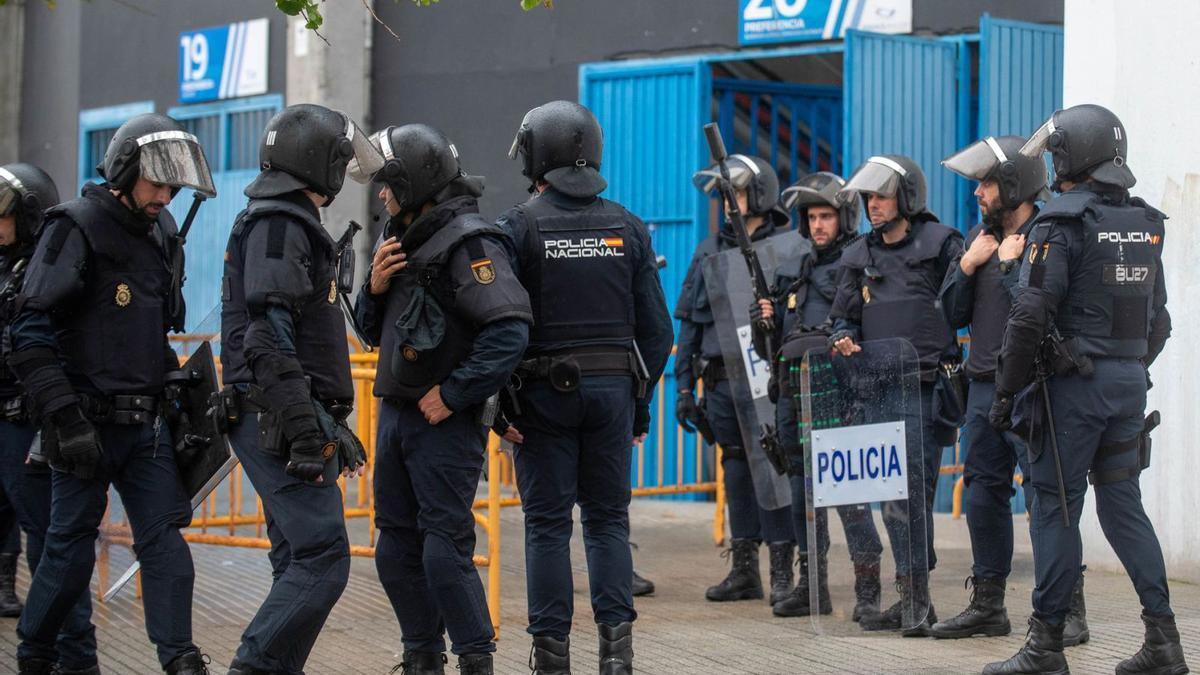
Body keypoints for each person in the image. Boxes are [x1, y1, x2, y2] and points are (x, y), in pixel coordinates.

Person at [984, 104, 1187, 675]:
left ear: (1077, 154)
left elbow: (1027, 319)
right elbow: (1160, 323)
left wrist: (1004, 393)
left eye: (1056, 152)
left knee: (1054, 509)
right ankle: (1164, 644)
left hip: (1072, 394)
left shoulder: (1059, 223)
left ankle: (1045, 647)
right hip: (1126, 387)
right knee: (1124, 507)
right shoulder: (1147, 223)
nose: (1051, 161)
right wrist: (1125, 366)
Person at [9, 114, 214, 674]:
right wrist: (64, 419)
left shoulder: (162, 232)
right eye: (157, 183)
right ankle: (34, 653)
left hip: (144, 427)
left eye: (173, 186)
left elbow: (155, 332)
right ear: (125, 171)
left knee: (166, 542)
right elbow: (28, 332)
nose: (166, 195)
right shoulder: (74, 226)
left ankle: (181, 660)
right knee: (69, 553)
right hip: (83, 426)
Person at [497, 100, 673, 675]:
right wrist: (637, 404)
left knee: (547, 525)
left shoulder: (518, 228)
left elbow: (498, 326)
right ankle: (617, 658)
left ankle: (551, 659)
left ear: (536, 157)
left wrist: (501, 407)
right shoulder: (628, 227)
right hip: (611, 395)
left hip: (541, 399)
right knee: (607, 522)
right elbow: (659, 332)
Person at [354, 123, 532, 675]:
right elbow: (368, 333)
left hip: (442, 423)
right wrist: (373, 289)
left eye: (388, 183)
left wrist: (453, 395)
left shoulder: (470, 240)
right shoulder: (401, 238)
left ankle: (476, 659)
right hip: (396, 414)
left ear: (417, 182)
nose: (381, 194)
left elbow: (509, 328)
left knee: (443, 551)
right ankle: (422, 656)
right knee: (393, 549)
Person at [220, 104, 379, 675]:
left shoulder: (286, 222)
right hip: (276, 419)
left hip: (283, 415)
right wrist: (306, 429)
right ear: (319, 161)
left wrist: (318, 421)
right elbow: (266, 335)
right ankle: (253, 666)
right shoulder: (280, 223)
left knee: (296, 559)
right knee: (323, 559)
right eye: (340, 157)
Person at [932, 135, 1092, 644]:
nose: (978, 192)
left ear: (1016, 185)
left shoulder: (1051, 236)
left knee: (1049, 500)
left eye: (986, 182)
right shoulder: (979, 240)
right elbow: (951, 315)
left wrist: (1007, 264)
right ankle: (988, 604)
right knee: (982, 495)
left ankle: (1067, 611)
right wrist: (966, 266)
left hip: (1036, 389)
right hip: (982, 388)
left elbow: (1038, 309)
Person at [828, 154, 964, 635]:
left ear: (907, 197)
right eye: (867, 197)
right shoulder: (858, 255)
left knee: (911, 496)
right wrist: (841, 336)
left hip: (924, 388)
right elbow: (842, 316)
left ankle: (918, 600)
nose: (872, 205)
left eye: (881, 196)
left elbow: (963, 302)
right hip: (874, 390)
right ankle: (911, 596)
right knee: (890, 497)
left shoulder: (941, 244)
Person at [751, 171, 884, 620]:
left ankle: (868, 590)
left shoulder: (858, 263)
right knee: (801, 488)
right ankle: (813, 587)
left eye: (826, 215)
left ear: (843, 216)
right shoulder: (794, 269)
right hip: (792, 386)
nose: (818, 224)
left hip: (839, 385)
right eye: (811, 217)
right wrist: (761, 319)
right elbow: (768, 342)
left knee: (848, 488)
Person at [677, 153, 798, 609]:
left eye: (738, 193)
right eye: (724, 195)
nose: (728, 204)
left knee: (775, 469)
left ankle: (784, 572)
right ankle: (744, 568)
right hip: (721, 384)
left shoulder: (787, 249)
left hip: (769, 381)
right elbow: (689, 322)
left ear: (761, 196)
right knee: (735, 469)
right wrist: (686, 388)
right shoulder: (708, 250)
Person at [0, 163, 98, 674]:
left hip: (29, 423)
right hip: (8, 426)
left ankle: (75, 656)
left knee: (52, 547)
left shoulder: (47, 268)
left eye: (4, 210)